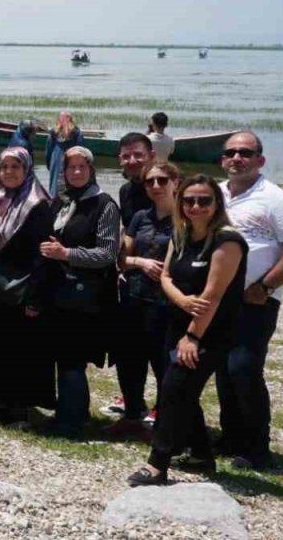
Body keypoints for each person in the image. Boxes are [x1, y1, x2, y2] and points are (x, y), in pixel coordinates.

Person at [128, 175, 248, 486]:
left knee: (173, 390)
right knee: (181, 390)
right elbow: (166, 275)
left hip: (208, 332)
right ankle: (201, 455)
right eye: (189, 200)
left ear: (216, 204)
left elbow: (214, 295)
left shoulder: (227, 240)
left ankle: (158, 464)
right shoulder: (180, 235)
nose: (196, 206)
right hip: (177, 323)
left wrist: (193, 337)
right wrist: (181, 300)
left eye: (204, 200)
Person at [215, 131, 283, 470]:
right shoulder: (218, 193)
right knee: (224, 370)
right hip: (219, 298)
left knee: (244, 368)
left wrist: (264, 287)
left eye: (245, 152)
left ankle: (257, 447)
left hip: (256, 300)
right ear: (222, 159)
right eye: (230, 153)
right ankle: (230, 437)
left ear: (260, 160)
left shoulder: (276, 198)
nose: (236, 158)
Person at [38, 146, 121, 437]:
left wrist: (66, 254)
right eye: (70, 168)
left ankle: (71, 422)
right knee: (63, 355)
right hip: (60, 293)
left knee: (73, 358)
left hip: (86, 297)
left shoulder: (104, 204)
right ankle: (70, 413)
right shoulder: (61, 202)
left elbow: (108, 253)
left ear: (91, 170)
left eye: (80, 168)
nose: (75, 172)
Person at [0, 147, 56, 420]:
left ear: (26, 169)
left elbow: (44, 256)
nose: (8, 173)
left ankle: (20, 408)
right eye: (4, 167)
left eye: (15, 167)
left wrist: (35, 297)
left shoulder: (38, 204)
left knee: (21, 349)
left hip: (24, 287)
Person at [107, 160, 180, 434]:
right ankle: (132, 413)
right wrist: (141, 262)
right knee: (129, 358)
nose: (156, 186)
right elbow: (122, 258)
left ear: (176, 183)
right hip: (133, 297)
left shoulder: (185, 220)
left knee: (163, 364)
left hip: (167, 303)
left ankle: (164, 421)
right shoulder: (140, 217)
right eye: (150, 182)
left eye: (162, 180)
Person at [116, 133, 156, 224]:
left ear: (152, 156)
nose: (132, 161)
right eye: (126, 157)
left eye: (138, 155)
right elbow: (127, 227)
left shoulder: (168, 186)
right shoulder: (124, 191)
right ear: (120, 160)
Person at [46, 111, 85, 197]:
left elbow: (48, 152)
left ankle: (54, 202)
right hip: (71, 161)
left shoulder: (53, 132)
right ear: (71, 120)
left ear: (58, 120)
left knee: (54, 186)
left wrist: (50, 166)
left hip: (56, 161)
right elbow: (81, 150)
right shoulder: (77, 132)